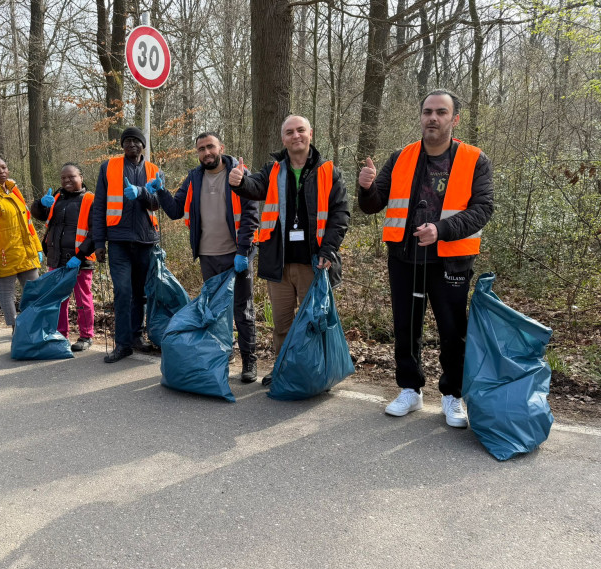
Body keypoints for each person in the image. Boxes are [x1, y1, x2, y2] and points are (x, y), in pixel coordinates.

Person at [357, 89, 494, 428]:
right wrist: (366, 187)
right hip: (404, 257)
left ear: (454, 119)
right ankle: (410, 389)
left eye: (441, 112)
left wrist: (442, 228)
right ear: (420, 117)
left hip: (451, 259)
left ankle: (452, 395)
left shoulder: (474, 159)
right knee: (405, 326)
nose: (433, 117)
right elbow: (373, 205)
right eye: (428, 112)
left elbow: (483, 209)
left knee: (453, 330)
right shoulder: (401, 156)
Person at [229, 115, 350, 386]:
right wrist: (239, 182)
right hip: (279, 263)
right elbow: (255, 186)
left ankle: (315, 371)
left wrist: (328, 250)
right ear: (283, 138)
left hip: (314, 263)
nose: (295, 136)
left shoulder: (329, 171)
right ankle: (282, 367)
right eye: (289, 132)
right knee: (282, 324)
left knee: (313, 322)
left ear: (310, 133)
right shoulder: (273, 169)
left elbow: (340, 214)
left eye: (300, 130)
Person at [147, 132, 260, 383]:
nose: (206, 152)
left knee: (243, 309)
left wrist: (243, 251)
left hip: (237, 255)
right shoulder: (194, 177)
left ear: (221, 147)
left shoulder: (239, 172)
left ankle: (249, 360)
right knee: (215, 310)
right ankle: (223, 353)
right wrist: (161, 191)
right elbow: (176, 210)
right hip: (208, 255)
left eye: (210, 147)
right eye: (201, 149)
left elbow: (251, 215)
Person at [92, 126, 164, 363]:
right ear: (121, 146)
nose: (131, 145)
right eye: (127, 141)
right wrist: (98, 241)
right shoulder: (109, 167)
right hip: (119, 240)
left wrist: (142, 192)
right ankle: (122, 344)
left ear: (143, 145)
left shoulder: (154, 170)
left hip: (145, 240)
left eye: (136, 141)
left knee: (140, 293)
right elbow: (99, 206)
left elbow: (157, 204)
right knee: (123, 291)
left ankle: (136, 336)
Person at [0, 146, 42, 329]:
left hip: (26, 252)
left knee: (35, 291)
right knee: (7, 293)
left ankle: (34, 326)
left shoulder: (13, 190)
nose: (1, 171)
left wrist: (38, 247)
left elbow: (27, 222)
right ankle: (15, 329)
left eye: (3, 167)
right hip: (3, 254)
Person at [30, 162, 96, 352]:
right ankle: (60, 334)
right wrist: (40, 204)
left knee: (83, 300)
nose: (67, 180)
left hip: (80, 260)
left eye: (71, 176)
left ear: (81, 177)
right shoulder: (56, 197)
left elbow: (95, 232)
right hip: (56, 258)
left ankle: (86, 336)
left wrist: (81, 255)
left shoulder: (91, 199)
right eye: (63, 178)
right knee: (59, 300)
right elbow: (40, 216)